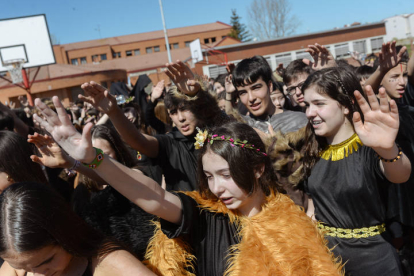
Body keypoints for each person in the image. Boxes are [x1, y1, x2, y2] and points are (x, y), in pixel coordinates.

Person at [32, 98, 343, 275]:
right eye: (209, 176)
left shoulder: (293, 219)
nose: (217, 187)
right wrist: (95, 160)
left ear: (258, 168)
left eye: (225, 174)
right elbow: (151, 193)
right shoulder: (205, 215)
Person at [302, 67, 411, 275]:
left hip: (373, 261)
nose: (309, 112)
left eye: (318, 104)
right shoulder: (313, 149)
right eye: (307, 105)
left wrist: (388, 149)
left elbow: (401, 174)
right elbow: (313, 208)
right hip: (327, 262)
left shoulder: (370, 145)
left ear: (344, 106)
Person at [79, 61, 228, 191]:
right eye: (174, 112)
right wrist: (113, 112)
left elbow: (220, 119)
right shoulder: (171, 143)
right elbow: (138, 140)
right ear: (169, 115)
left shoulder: (216, 132)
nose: (181, 118)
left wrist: (197, 94)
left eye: (184, 109)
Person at [28, 125, 157, 260]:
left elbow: (117, 179)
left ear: (117, 151)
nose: (96, 162)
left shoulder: (136, 175)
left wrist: (71, 163)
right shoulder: (81, 194)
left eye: (104, 155)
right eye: (89, 157)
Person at [0, 182, 154, 276]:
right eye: (21, 268)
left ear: (66, 235)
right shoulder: (20, 261)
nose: (37, 274)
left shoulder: (110, 264)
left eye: (48, 260)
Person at [226, 55, 308, 134]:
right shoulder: (241, 127)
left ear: (270, 86)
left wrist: (276, 145)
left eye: (256, 88)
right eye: (243, 92)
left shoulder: (298, 121)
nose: (251, 98)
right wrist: (229, 94)